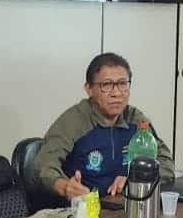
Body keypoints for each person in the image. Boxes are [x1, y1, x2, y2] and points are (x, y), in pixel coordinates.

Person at [33, 52, 174, 206]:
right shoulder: (74, 121)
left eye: (122, 84)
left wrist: (137, 178)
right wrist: (65, 187)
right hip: (82, 211)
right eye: (106, 85)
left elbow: (165, 162)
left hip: (124, 209)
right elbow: (44, 164)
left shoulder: (135, 119)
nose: (116, 93)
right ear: (89, 89)